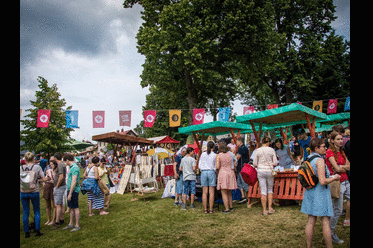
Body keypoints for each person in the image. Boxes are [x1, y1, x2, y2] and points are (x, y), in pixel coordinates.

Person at [301, 137, 340, 248]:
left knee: (311, 221)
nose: (325, 148)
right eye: (323, 146)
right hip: (321, 194)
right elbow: (322, 181)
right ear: (316, 148)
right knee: (325, 222)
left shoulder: (308, 158)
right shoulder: (320, 160)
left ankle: (308, 246)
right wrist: (334, 178)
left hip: (310, 193)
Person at [325, 131, 350, 244]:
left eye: (341, 139)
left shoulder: (343, 152)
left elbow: (347, 166)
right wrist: (342, 167)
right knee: (338, 209)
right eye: (338, 139)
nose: (341, 141)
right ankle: (330, 233)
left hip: (346, 181)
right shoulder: (330, 152)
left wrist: (341, 167)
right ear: (332, 141)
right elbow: (337, 169)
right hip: (337, 182)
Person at [20, 152, 45, 238]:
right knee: (36, 211)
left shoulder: (20, 168)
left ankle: (26, 232)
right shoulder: (37, 167)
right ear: (33, 158)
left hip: (23, 192)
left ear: (25, 159)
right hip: (34, 191)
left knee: (25, 212)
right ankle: (37, 230)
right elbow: (43, 178)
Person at [253, 137, 278, 215]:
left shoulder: (257, 150)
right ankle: (270, 208)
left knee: (263, 190)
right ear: (268, 142)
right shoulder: (271, 150)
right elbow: (275, 163)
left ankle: (264, 210)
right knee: (270, 189)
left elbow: (254, 163)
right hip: (269, 170)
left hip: (260, 170)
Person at [216, 142, 238, 213]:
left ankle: (227, 208)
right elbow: (235, 162)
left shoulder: (219, 155)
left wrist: (217, 172)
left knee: (224, 192)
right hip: (230, 172)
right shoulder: (230, 154)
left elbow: (217, 166)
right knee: (229, 192)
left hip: (223, 173)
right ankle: (231, 206)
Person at [62, 153, 81, 232]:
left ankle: (77, 225)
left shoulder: (75, 168)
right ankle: (70, 223)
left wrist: (70, 193)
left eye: (64, 161)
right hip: (70, 189)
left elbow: (74, 181)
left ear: (67, 160)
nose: (64, 163)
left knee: (75, 207)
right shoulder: (72, 167)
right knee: (71, 207)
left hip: (73, 190)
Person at [199, 141, 217, 214]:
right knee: (211, 192)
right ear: (214, 147)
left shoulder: (203, 154)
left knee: (204, 192)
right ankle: (211, 209)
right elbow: (215, 166)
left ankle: (205, 209)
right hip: (211, 172)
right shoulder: (215, 155)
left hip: (203, 172)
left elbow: (199, 164)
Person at [50, 152, 67, 230]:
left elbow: (61, 177)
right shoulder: (63, 164)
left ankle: (57, 222)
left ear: (55, 158)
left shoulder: (60, 165)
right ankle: (61, 219)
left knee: (57, 204)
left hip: (59, 187)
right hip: (62, 186)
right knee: (61, 204)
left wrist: (56, 186)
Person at [42, 160, 57, 226]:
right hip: (48, 186)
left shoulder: (57, 171)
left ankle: (53, 219)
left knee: (54, 204)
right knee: (47, 204)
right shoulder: (48, 171)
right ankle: (48, 219)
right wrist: (44, 182)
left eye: (52, 164)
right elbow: (45, 179)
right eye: (50, 164)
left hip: (54, 186)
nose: (51, 166)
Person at [235, 137, 250, 204]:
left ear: (240, 142)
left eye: (237, 142)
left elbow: (237, 158)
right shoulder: (246, 148)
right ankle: (243, 197)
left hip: (242, 168)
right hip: (244, 167)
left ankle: (248, 197)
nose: (236, 143)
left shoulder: (241, 148)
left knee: (244, 183)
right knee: (239, 183)